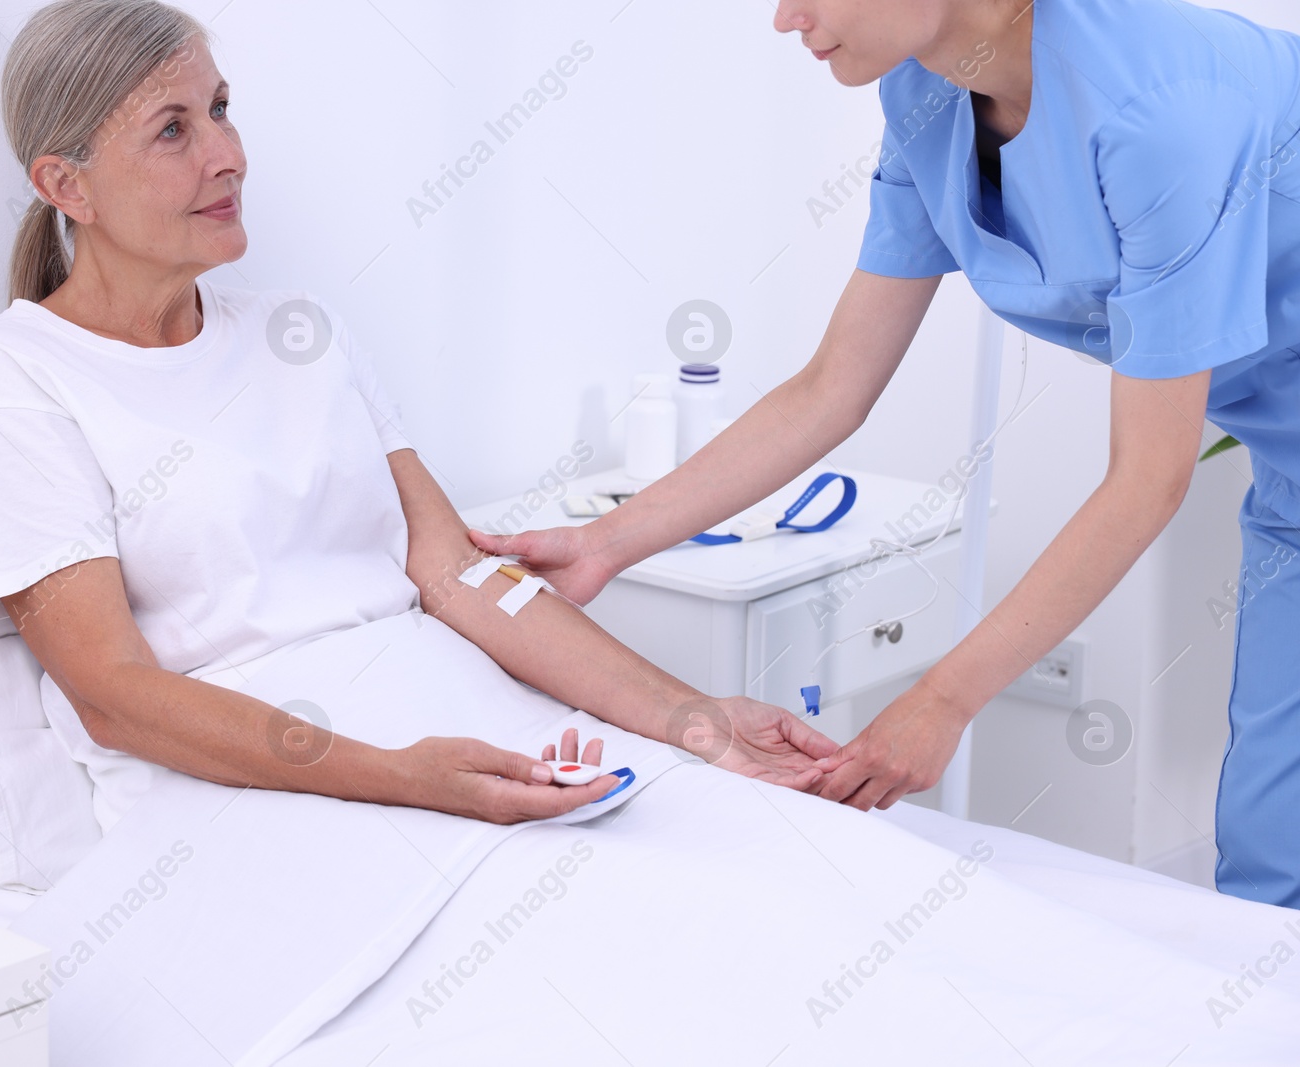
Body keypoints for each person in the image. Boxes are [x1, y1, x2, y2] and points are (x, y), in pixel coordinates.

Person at [470, 0, 1300, 909]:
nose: (787, 17)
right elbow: (833, 387)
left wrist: (942, 699)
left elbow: (1148, 478)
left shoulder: (1161, 113)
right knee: (1272, 856)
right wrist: (607, 544)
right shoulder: (929, 93)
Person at [0, 0, 838, 833]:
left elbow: (456, 576)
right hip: (263, 788)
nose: (227, 153)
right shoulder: (17, 381)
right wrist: (399, 776)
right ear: (68, 185)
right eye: (173, 128)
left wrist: (693, 718)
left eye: (220, 108)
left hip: (457, 727)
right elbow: (115, 694)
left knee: (755, 845)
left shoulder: (302, 332)